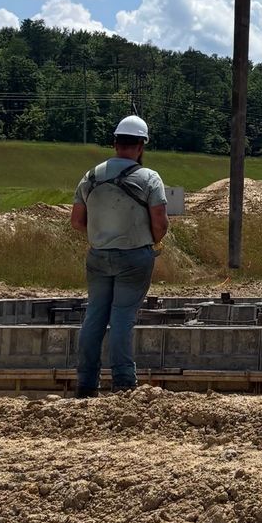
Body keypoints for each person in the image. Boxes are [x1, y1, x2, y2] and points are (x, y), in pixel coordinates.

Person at [69, 115, 168, 397]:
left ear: (115, 143)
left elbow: (76, 221)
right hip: (135, 257)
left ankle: (86, 383)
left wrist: (102, 233)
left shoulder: (91, 176)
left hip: (98, 256)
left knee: (94, 316)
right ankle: (124, 382)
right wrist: (151, 240)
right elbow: (159, 223)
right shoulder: (149, 178)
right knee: (123, 317)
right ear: (141, 146)